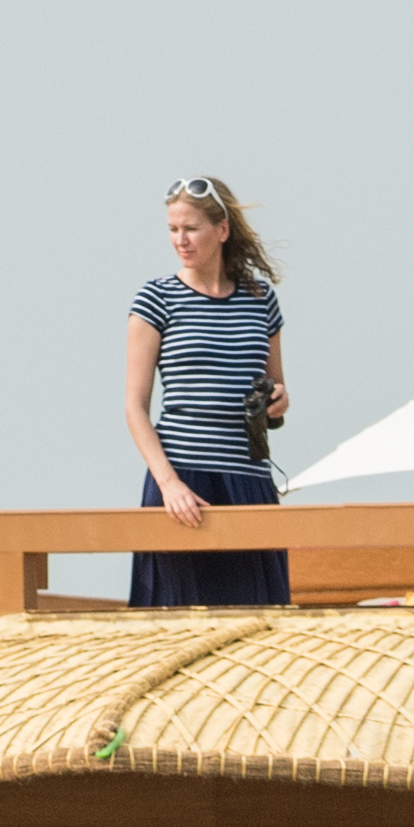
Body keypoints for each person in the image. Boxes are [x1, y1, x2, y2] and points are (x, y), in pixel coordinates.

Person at [124, 177, 290, 609]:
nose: (180, 240)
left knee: (261, 620)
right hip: (183, 484)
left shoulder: (261, 299)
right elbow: (135, 408)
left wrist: (278, 401)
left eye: (191, 228)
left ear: (222, 230)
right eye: (173, 229)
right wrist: (169, 484)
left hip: (249, 480)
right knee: (174, 623)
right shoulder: (156, 298)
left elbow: (276, 388)